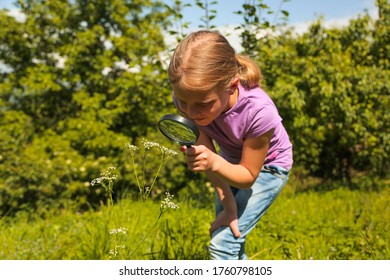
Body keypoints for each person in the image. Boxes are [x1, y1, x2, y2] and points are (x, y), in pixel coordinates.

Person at [168, 30, 293, 260]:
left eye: (203, 104)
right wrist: (229, 206)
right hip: (228, 161)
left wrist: (214, 161)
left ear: (232, 85)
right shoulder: (188, 100)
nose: (191, 113)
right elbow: (208, 157)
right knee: (227, 231)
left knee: (223, 243)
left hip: (268, 167)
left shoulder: (259, 112)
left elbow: (247, 175)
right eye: (183, 102)